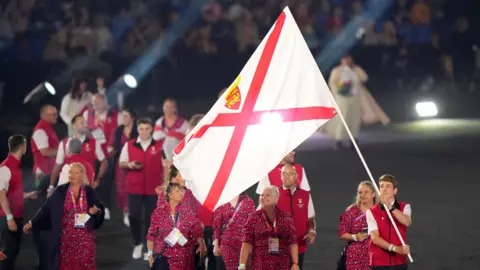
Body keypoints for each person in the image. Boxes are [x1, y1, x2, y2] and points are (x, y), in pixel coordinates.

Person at [24, 163, 105, 270]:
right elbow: (46, 208)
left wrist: (96, 212)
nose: (72, 175)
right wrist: (32, 222)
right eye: (71, 172)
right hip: (67, 240)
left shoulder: (89, 192)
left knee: (85, 265)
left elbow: (99, 207)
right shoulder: (61, 191)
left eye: (76, 173)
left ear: (82, 175)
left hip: (85, 239)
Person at [119, 118, 165, 260]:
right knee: (134, 217)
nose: (144, 132)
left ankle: (147, 247)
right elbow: (121, 163)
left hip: (153, 189)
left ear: (151, 130)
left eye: (147, 128)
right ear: (137, 130)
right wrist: (130, 164)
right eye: (141, 129)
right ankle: (137, 243)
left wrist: (164, 184)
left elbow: (166, 165)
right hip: (134, 187)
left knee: (151, 219)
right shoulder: (129, 145)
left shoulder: (159, 146)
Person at [146, 182, 206, 269]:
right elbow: (151, 235)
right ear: (170, 195)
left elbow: (196, 231)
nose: (181, 193)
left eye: (181, 191)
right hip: (164, 258)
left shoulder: (188, 212)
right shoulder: (158, 213)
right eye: (177, 191)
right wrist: (150, 254)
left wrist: (201, 243)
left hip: (185, 258)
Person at [238, 185, 299, 270]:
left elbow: (293, 242)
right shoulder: (254, 217)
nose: (263, 197)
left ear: (276, 198)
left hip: (281, 264)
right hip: (260, 264)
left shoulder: (285, 217)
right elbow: (246, 243)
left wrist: (295, 263)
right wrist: (242, 265)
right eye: (262, 195)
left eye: (267, 195)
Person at [83, 93, 123, 220]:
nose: (96, 104)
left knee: (106, 181)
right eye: (94, 102)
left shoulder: (117, 115)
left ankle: (105, 206)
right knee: (90, 179)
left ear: (106, 103)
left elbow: (121, 134)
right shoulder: (87, 114)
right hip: (91, 152)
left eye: (99, 102)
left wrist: (115, 148)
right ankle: (90, 207)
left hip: (107, 154)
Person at [0, 135, 36, 270]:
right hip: (6, 218)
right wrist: (9, 218)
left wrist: (26, 195)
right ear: (23, 147)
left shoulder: (14, 167)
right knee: (6, 254)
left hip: (15, 217)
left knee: (13, 253)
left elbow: (11, 193)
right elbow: (1, 195)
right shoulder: (5, 167)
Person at [49, 115, 108, 196]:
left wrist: (98, 180)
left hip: (87, 189)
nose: (85, 125)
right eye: (82, 123)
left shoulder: (94, 142)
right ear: (74, 126)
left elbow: (104, 162)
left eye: (86, 122)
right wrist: (51, 187)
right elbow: (57, 166)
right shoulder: (64, 143)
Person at [366, 175, 411, 269]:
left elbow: (406, 222)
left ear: (395, 191)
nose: (384, 189)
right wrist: (395, 248)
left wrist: (391, 207)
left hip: (399, 262)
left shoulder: (405, 207)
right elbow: (375, 238)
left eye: (388, 186)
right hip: (379, 264)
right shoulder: (371, 211)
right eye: (381, 186)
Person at [276, 164, 316, 270]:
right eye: (284, 174)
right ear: (280, 176)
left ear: (296, 176)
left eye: (290, 174)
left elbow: (311, 218)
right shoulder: (273, 194)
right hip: (277, 247)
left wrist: (312, 231)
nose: (287, 176)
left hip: (299, 245)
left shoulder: (305, 195)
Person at [327, 55, 368, 149]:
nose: (347, 62)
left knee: (355, 117)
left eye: (349, 60)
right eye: (345, 61)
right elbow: (332, 82)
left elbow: (364, 77)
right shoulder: (337, 70)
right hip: (343, 98)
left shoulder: (356, 69)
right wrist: (340, 89)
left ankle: (354, 138)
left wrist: (357, 75)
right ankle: (339, 139)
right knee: (343, 117)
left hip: (355, 97)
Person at [338, 181, 378, 270]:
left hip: (375, 256)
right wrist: (355, 237)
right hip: (354, 256)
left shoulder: (380, 212)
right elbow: (342, 233)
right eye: (360, 192)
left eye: (366, 192)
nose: (362, 195)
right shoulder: (351, 211)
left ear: (374, 194)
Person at [108, 108, 138, 227]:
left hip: (134, 161)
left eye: (126, 116)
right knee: (121, 187)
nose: (123, 119)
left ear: (132, 118)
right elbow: (111, 145)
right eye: (122, 116)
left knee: (133, 186)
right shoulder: (118, 130)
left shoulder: (137, 130)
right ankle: (126, 211)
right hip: (120, 162)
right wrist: (110, 150)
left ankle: (134, 211)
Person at [212, 192, 255, 270]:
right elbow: (217, 225)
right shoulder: (221, 202)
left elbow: (252, 223)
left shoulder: (248, 201)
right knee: (231, 267)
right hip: (227, 243)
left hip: (244, 243)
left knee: (242, 267)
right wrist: (215, 244)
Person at [31, 105, 59, 190]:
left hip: (49, 169)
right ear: (44, 116)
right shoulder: (40, 130)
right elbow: (45, 152)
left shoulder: (48, 127)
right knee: (42, 196)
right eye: (53, 114)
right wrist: (62, 151)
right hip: (43, 171)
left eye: (56, 114)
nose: (56, 116)